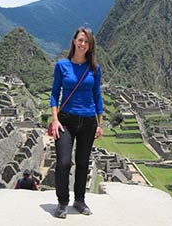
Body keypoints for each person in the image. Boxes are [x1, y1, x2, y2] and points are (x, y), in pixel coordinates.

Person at [50, 26, 103, 219]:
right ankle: (62, 201)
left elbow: (97, 96)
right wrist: (55, 120)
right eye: (80, 40)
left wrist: (100, 122)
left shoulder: (95, 69)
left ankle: (79, 200)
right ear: (74, 41)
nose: (83, 44)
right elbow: (55, 94)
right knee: (63, 162)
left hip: (88, 121)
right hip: (66, 121)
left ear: (90, 46)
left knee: (82, 163)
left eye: (86, 42)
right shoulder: (62, 66)